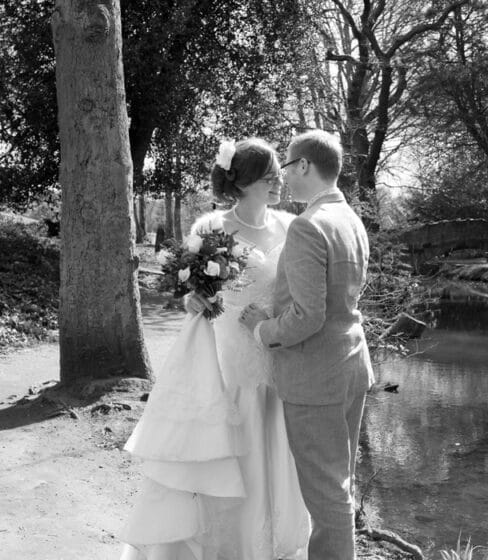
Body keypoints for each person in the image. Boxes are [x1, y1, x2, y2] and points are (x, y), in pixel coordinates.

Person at [119, 138, 310, 560]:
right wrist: (193, 300)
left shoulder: (291, 227)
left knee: (275, 452)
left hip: (277, 355)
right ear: (242, 182)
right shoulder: (211, 227)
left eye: (278, 174)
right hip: (227, 359)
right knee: (227, 452)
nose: (279, 182)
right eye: (269, 176)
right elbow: (192, 293)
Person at [240, 129, 374, 560]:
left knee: (326, 494)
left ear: (303, 165)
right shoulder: (350, 220)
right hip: (353, 365)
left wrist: (262, 329)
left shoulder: (308, 226)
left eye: (286, 167)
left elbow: (307, 316)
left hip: (316, 377)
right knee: (340, 485)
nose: (283, 177)